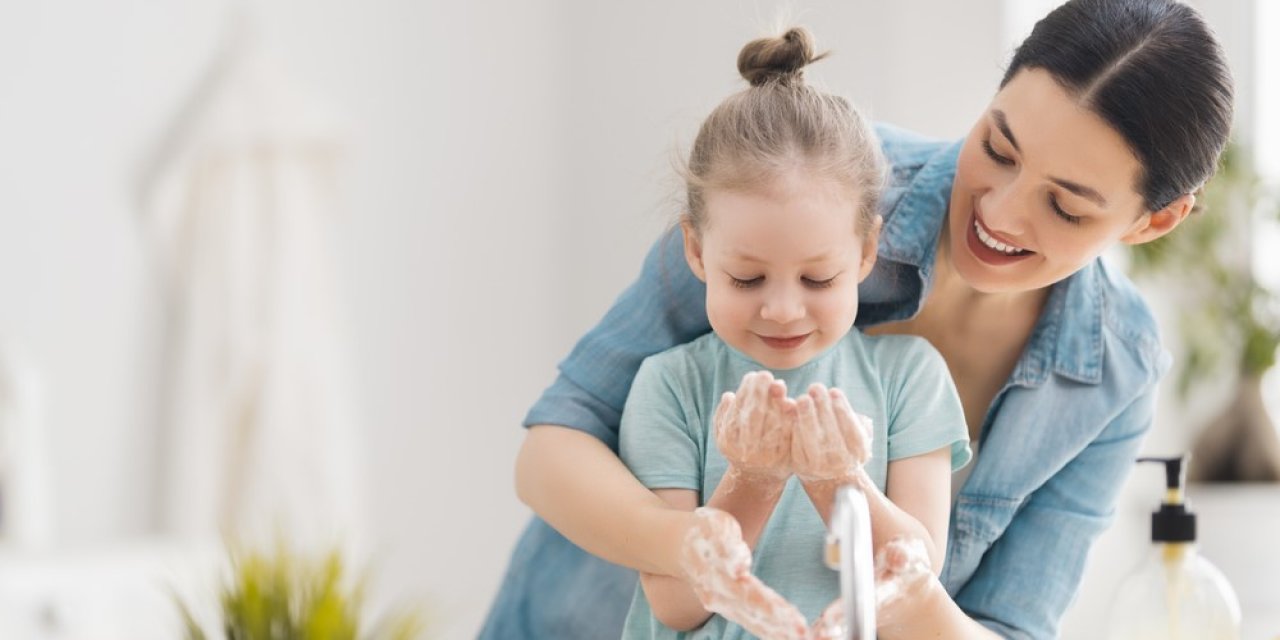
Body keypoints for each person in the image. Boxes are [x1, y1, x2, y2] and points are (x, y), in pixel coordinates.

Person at [479, 0, 1234, 637]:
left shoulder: (1115, 373)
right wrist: (693, 545)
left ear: (1152, 221)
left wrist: (904, 575)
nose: (999, 211)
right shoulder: (805, 183)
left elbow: (1005, 626)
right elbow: (553, 448)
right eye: (998, 148)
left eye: (1065, 205)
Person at [613, 27, 970, 640]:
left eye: (818, 278)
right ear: (697, 252)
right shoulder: (670, 386)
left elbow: (918, 574)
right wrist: (753, 477)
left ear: (864, 252)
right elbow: (675, 603)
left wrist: (840, 482)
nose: (782, 309)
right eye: (748, 279)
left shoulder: (910, 378)